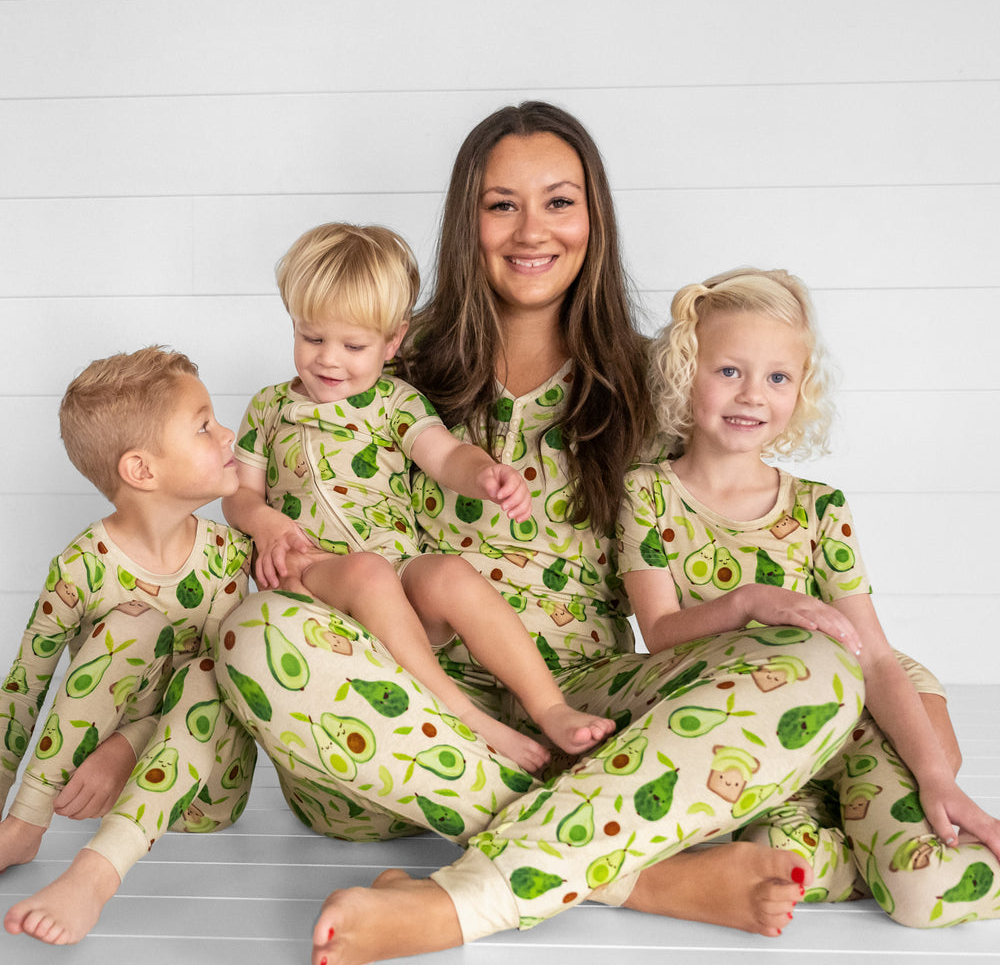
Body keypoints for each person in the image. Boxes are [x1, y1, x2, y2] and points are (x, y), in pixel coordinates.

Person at [0, 102, 862, 952]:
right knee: (255, 630)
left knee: (820, 669)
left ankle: (461, 898)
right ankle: (629, 868)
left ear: (593, 216)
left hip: (587, 710)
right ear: (467, 220)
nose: (532, 229)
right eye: (501, 204)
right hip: (386, 724)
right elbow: (240, 521)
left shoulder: (652, 378)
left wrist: (888, 691)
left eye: (559, 201)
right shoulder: (383, 360)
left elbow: (741, 555)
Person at [616, 267, 1000, 928]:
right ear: (687, 372)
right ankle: (847, 842)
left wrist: (936, 779)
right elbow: (660, 632)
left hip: (859, 716)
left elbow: (877, 661)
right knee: (771, 856)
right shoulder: (647, 494)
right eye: (729, 371)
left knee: (934, 890)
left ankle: (882, 835)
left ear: (800, 391)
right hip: (759, 731)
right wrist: (747, 601)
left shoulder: (822, 508)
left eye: (777, 377)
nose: (752, 395)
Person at [222, 221, 615, 768]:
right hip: (319, 578)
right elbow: (239, 496)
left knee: (448, 572)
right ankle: (468, 719)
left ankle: (550, 706)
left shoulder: (394, 403)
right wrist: (264, 524)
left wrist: (485, 474)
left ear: (393, 342)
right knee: (366, 572)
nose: (328, 360)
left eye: (353, 345)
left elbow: (446, 455)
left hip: (398, 574)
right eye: (311, 338)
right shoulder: (269, 408)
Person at [0, 346, 254, 894]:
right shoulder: (80, 566)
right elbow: (23, 688)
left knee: (220, 660)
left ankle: (63, 839)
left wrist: (126, 748)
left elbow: (214, 685)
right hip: (94, 795)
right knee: (130, 624)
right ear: (141, 469)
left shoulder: (229, 554)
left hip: (204, 793)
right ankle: (24, 824)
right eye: (204, 426)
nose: (228, 434)